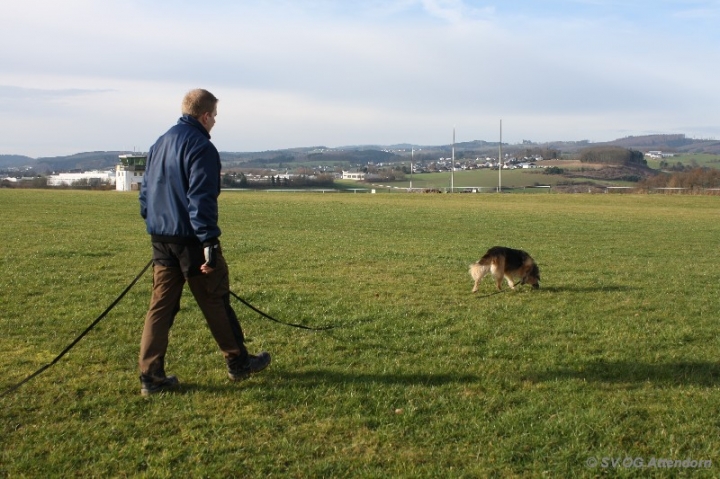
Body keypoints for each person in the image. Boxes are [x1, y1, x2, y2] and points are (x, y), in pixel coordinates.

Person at [137, 88, 270, 396]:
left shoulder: (159, 143)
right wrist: (209, 243)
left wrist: (157, 226)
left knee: (160, 308)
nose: (215, 123)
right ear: (206, 115)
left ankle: (150, 374)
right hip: (193, 240)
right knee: (215, 299)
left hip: (161, 239)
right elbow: (201, 199)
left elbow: (146, 194)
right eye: (215, 117)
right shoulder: (201, 147)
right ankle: (238, 362)